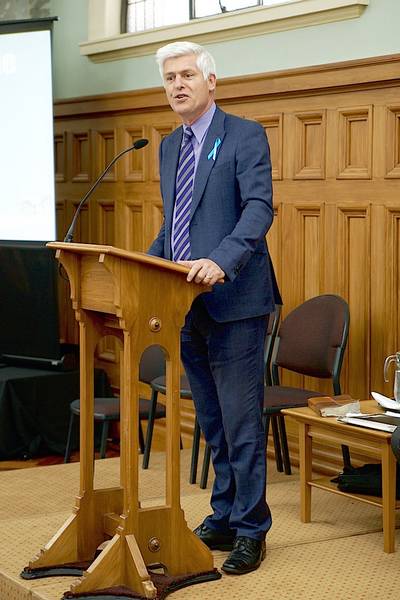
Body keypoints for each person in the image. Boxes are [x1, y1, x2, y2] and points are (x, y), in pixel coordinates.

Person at [148, 40, 281, 575]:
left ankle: (251, 529)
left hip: (236, 302)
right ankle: (224, 514)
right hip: (186, 305)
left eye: (186, 75)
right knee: (212, 421)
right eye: (169, 78)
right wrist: (144, 266)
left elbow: (258, 209)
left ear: (210, 81)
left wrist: (220, 261)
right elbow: (175, 224)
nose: (177, 85)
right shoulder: (168, 147)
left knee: (241, 422)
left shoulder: (244, 134)